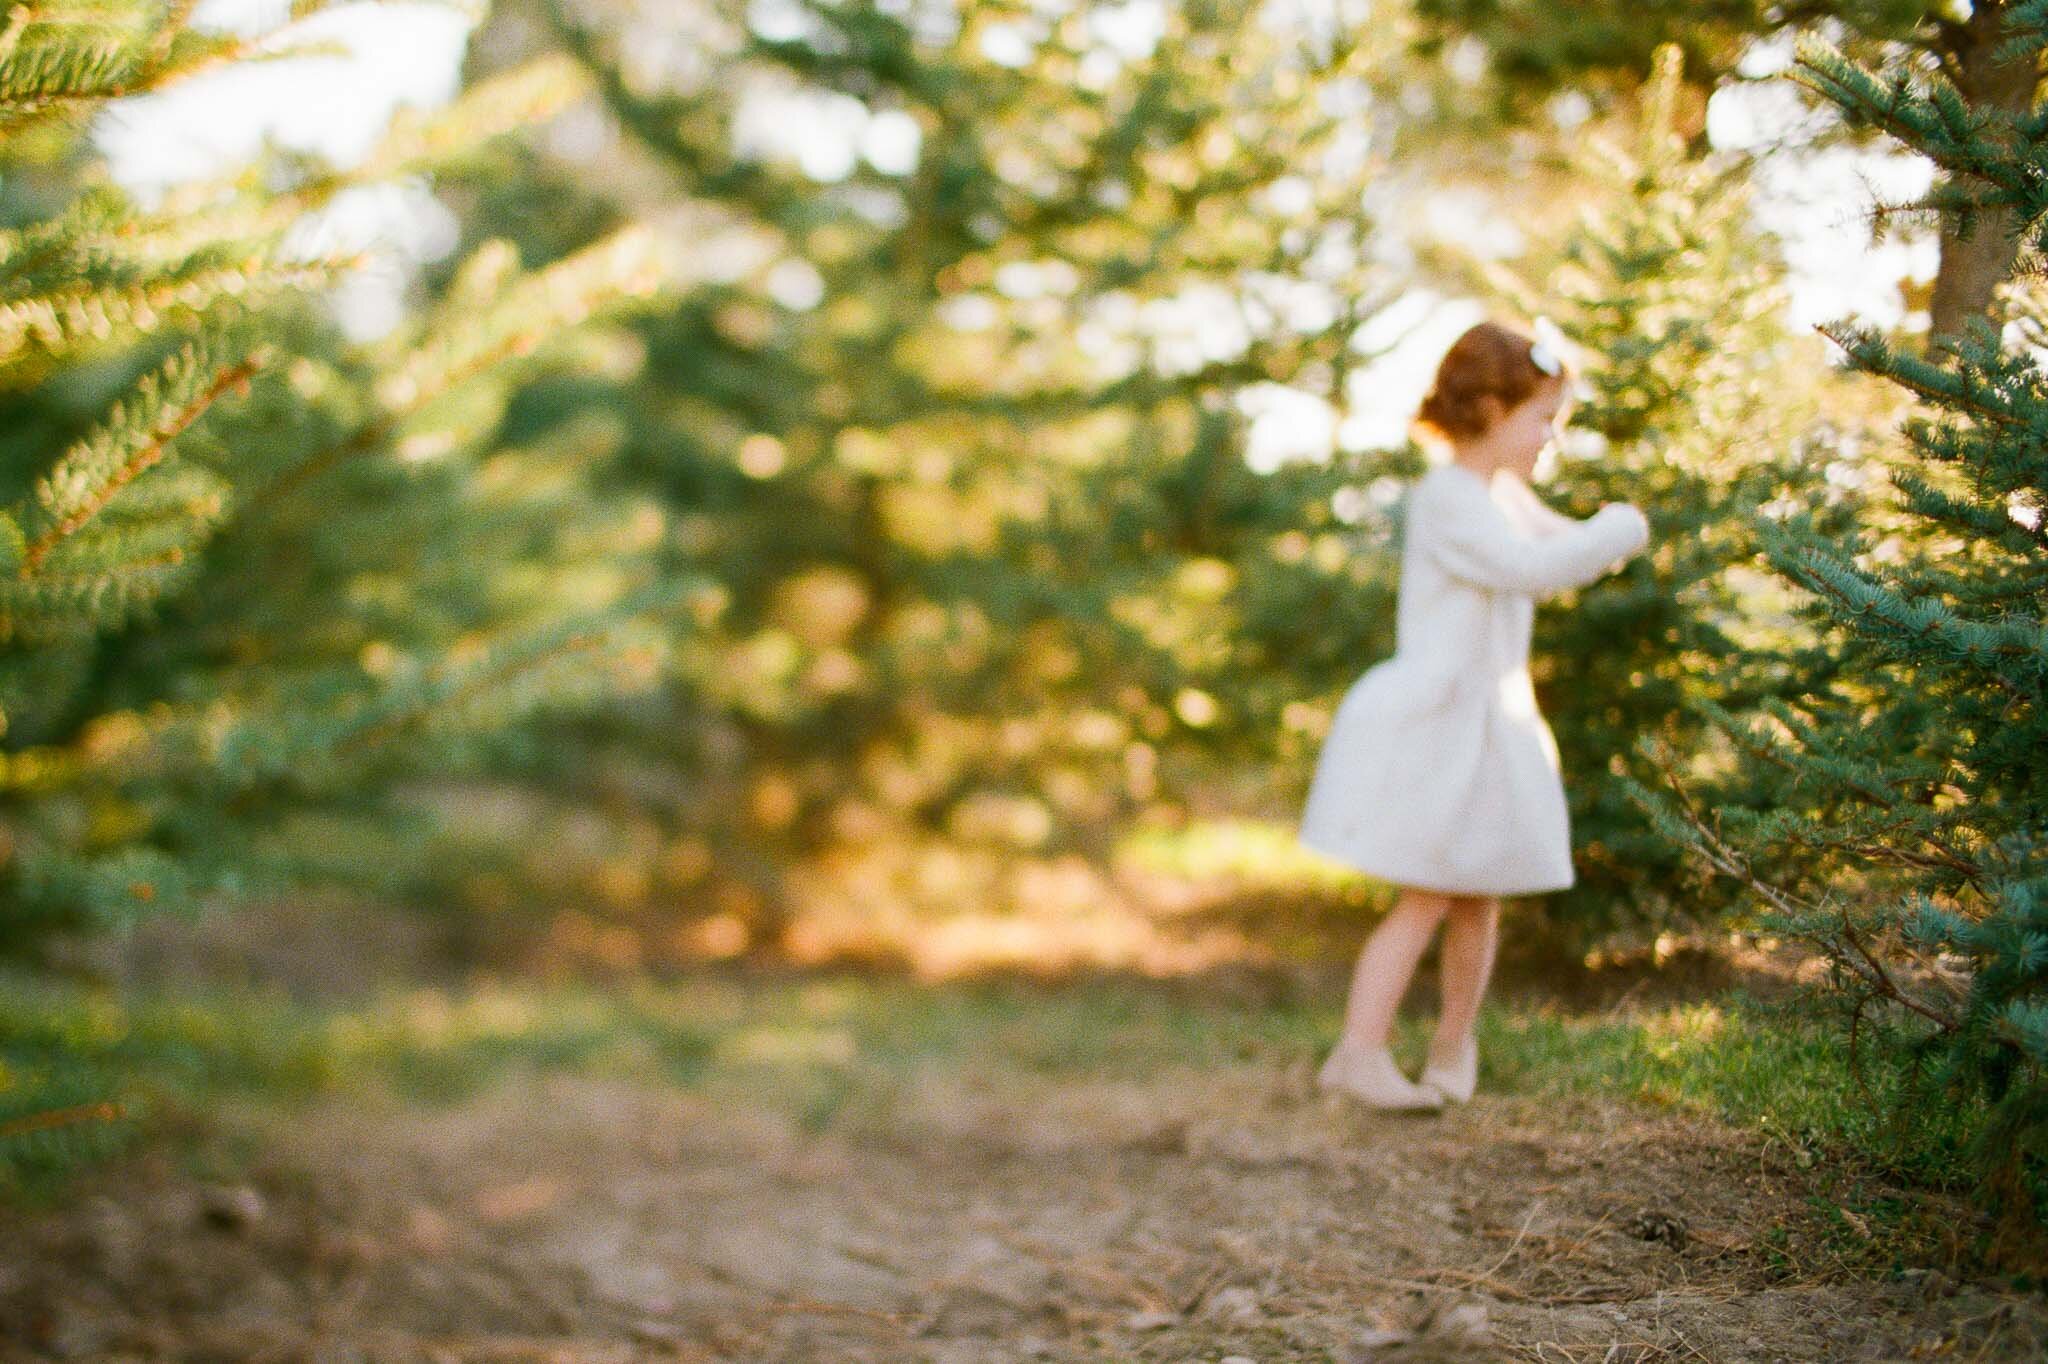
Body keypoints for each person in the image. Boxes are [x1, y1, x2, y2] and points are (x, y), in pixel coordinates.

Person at [1297, 320, 1651, 1110]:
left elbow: (1559, 542)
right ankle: (1358, 1053)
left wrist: (1603, 538)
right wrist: (1618, 529)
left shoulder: (1502, 496)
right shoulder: (1449, 497)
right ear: (1490, 408)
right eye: (1543, 422)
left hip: (1490, 719)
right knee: (1426, 891)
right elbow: (1533, 569)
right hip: (1440, 720)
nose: (1549, 442)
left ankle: (1455, 1043)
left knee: (1479, 892)